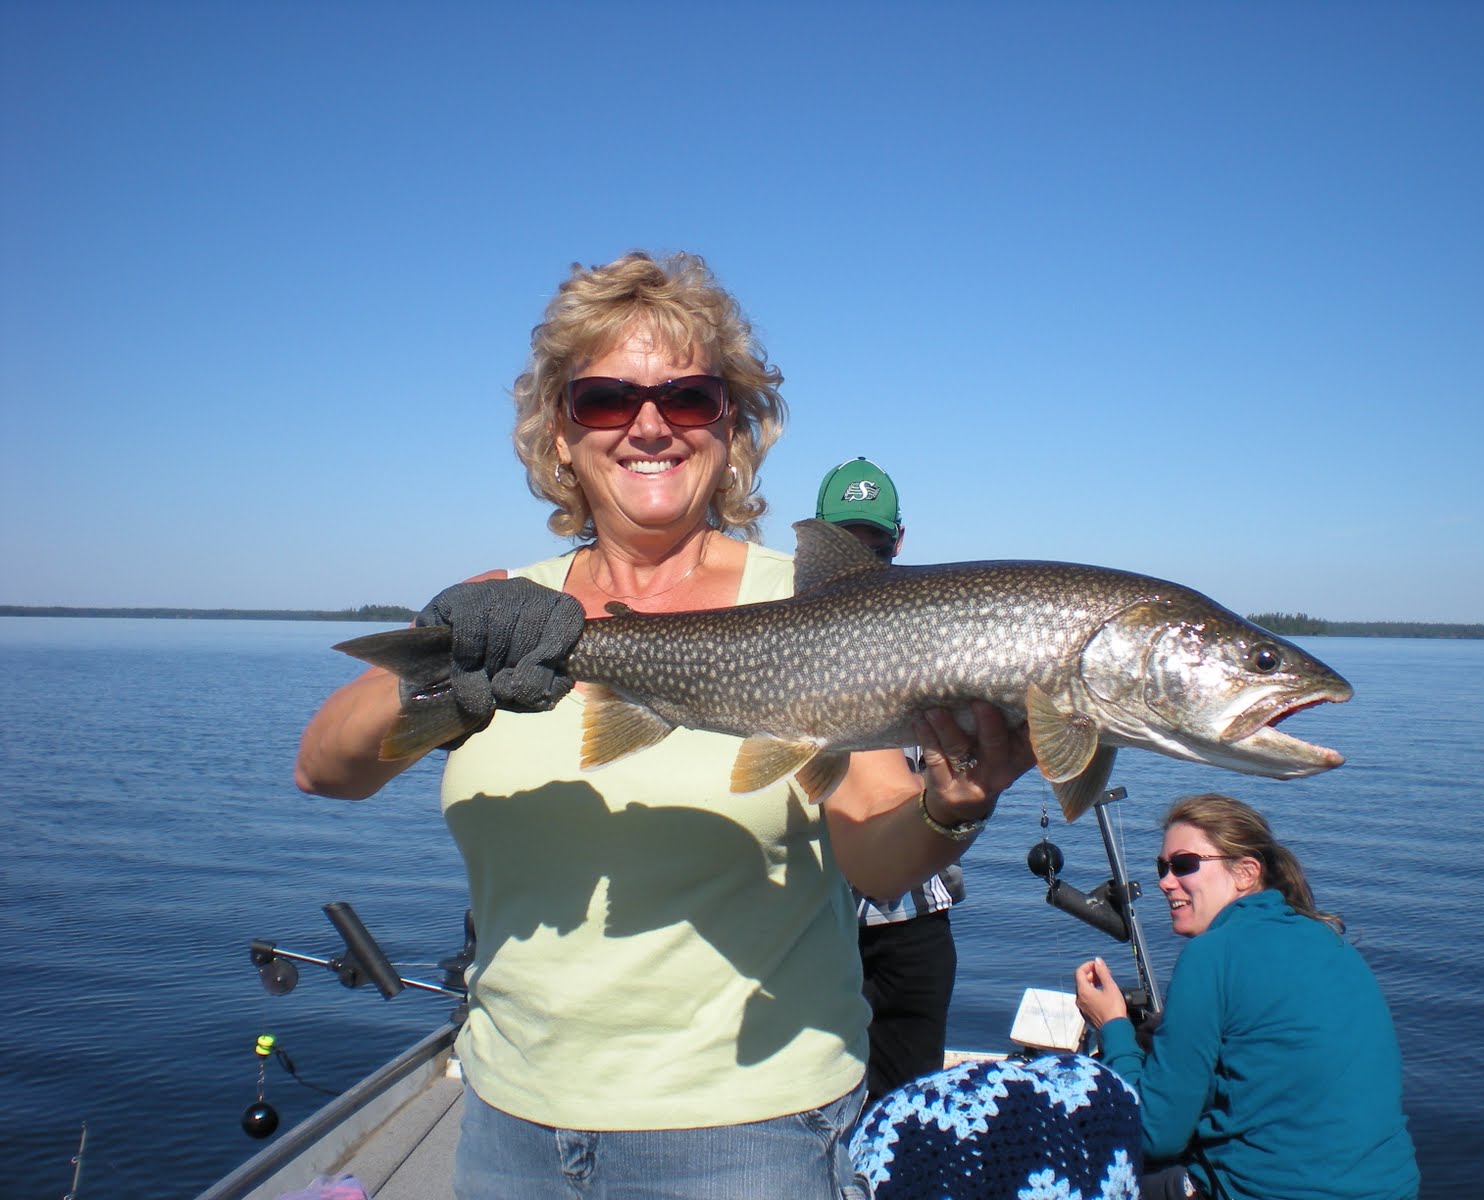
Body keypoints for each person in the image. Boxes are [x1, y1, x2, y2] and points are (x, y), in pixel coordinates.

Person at [294, 250, 1036, 1199]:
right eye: (605, 398)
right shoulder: (503, 610)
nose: (649, 424)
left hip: (750, 1131)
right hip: (509, 1119)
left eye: (688, 397)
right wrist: (445, 669)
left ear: (731, 426)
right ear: (560, 435)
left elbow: (878, 858)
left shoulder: (812, 603)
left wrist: (957, 801)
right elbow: (326, 768)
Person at [1074, 794, 1419, 1200]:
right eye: (1161, 867)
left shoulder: (1213, 953)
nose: (1165, 881)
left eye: (1184, 865)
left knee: (1069, 1170)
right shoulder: (1327, 938)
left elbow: (1154, 1133)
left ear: (1246, 873)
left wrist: (1113, 1026)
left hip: (1268, 1191)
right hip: (1390, 1188)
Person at [815, 456, 965, 1103]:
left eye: (875, 545)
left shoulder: (930, 628)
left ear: (898, 543)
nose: (863, 558)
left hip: (914, 923)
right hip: (823, 921)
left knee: (909, 1115)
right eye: (845, 544)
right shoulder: (792, 630)